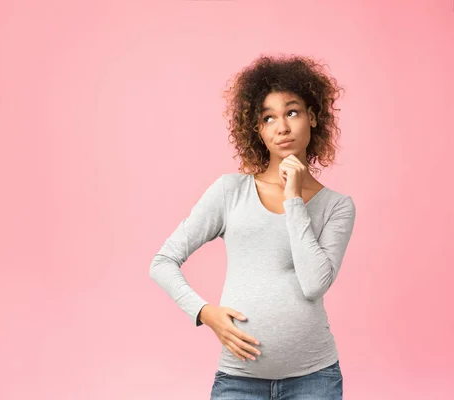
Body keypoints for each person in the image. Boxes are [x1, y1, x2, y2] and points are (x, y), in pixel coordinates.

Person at [149, 54, 356, 400]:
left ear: (313, 116)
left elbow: (314, 284)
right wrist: (205, 313)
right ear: (257, 130)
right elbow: (163, 261)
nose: (282, 127)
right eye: (268, 118)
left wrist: (293, 199)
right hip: (239, 380)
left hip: (314, 380)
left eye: (292, 112)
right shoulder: (230, 192)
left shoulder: (337, 206)